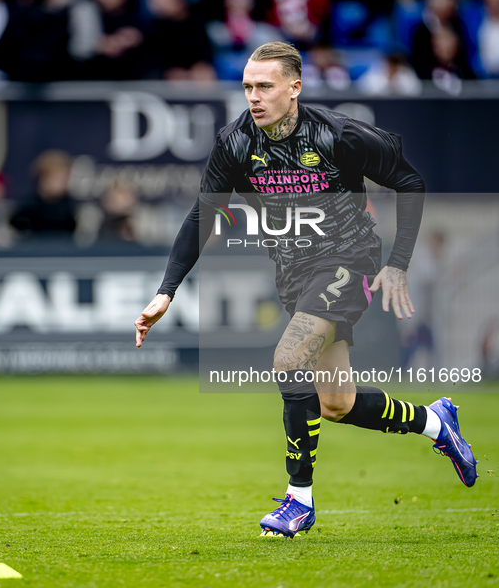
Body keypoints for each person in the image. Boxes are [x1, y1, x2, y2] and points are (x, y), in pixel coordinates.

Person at [134, 42, 478, 538]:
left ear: (294, 88)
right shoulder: (235, 142)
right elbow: (202, 215)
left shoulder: (339, 135)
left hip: (349, 260)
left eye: (265, 87)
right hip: (294, 271)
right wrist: (167, 290)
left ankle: (299, 501)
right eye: (248, 86)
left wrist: (398, 263)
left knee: (289, 359)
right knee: (336, 403)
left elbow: (410, 181)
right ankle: (435, 422)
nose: (254, 96)